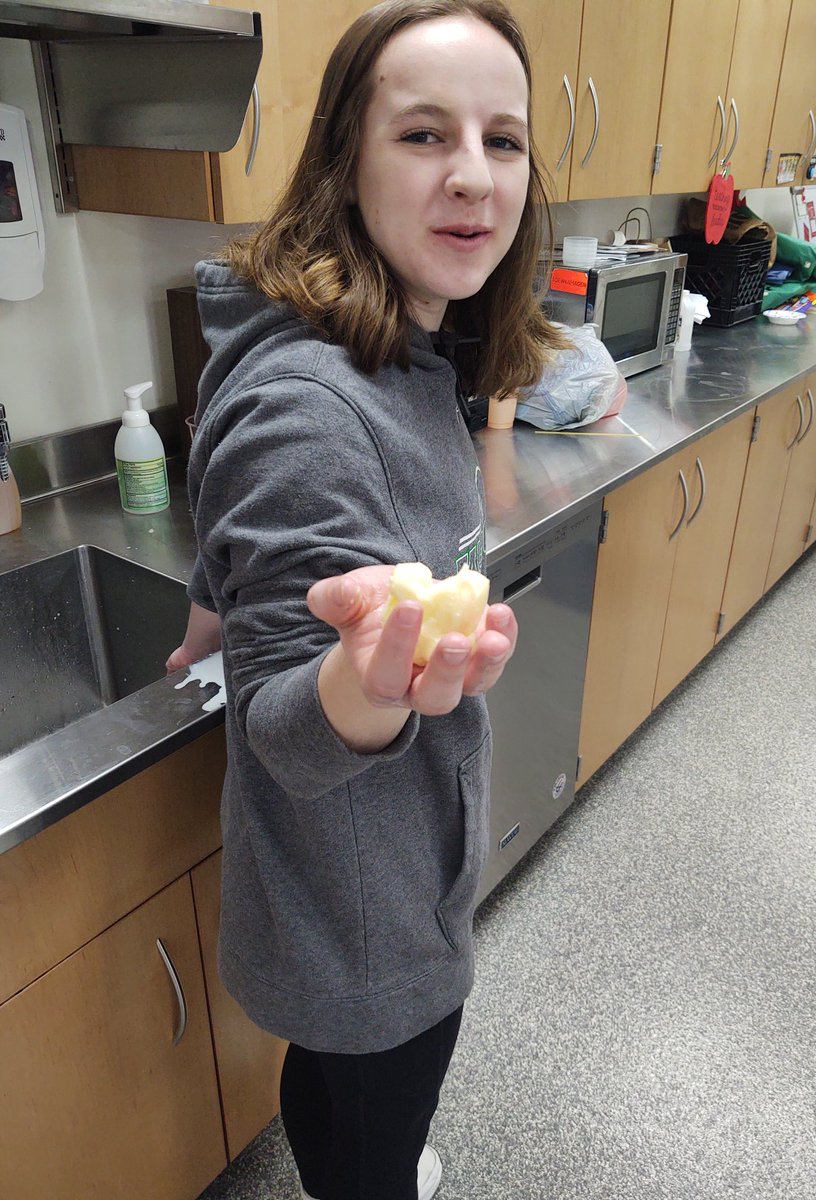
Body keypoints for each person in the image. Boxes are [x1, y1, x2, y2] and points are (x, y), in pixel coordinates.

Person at [167, 2, 569, 1197]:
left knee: (333, 1096)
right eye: (422, 135)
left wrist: (208, 608)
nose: (473, 177)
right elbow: (287, 725)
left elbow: (238, 564)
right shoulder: (317, 408)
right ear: (346, 158)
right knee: (378, 1118)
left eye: (503, 140)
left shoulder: (393, 347)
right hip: (369, 919)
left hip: (346, 897)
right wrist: (362, 683)